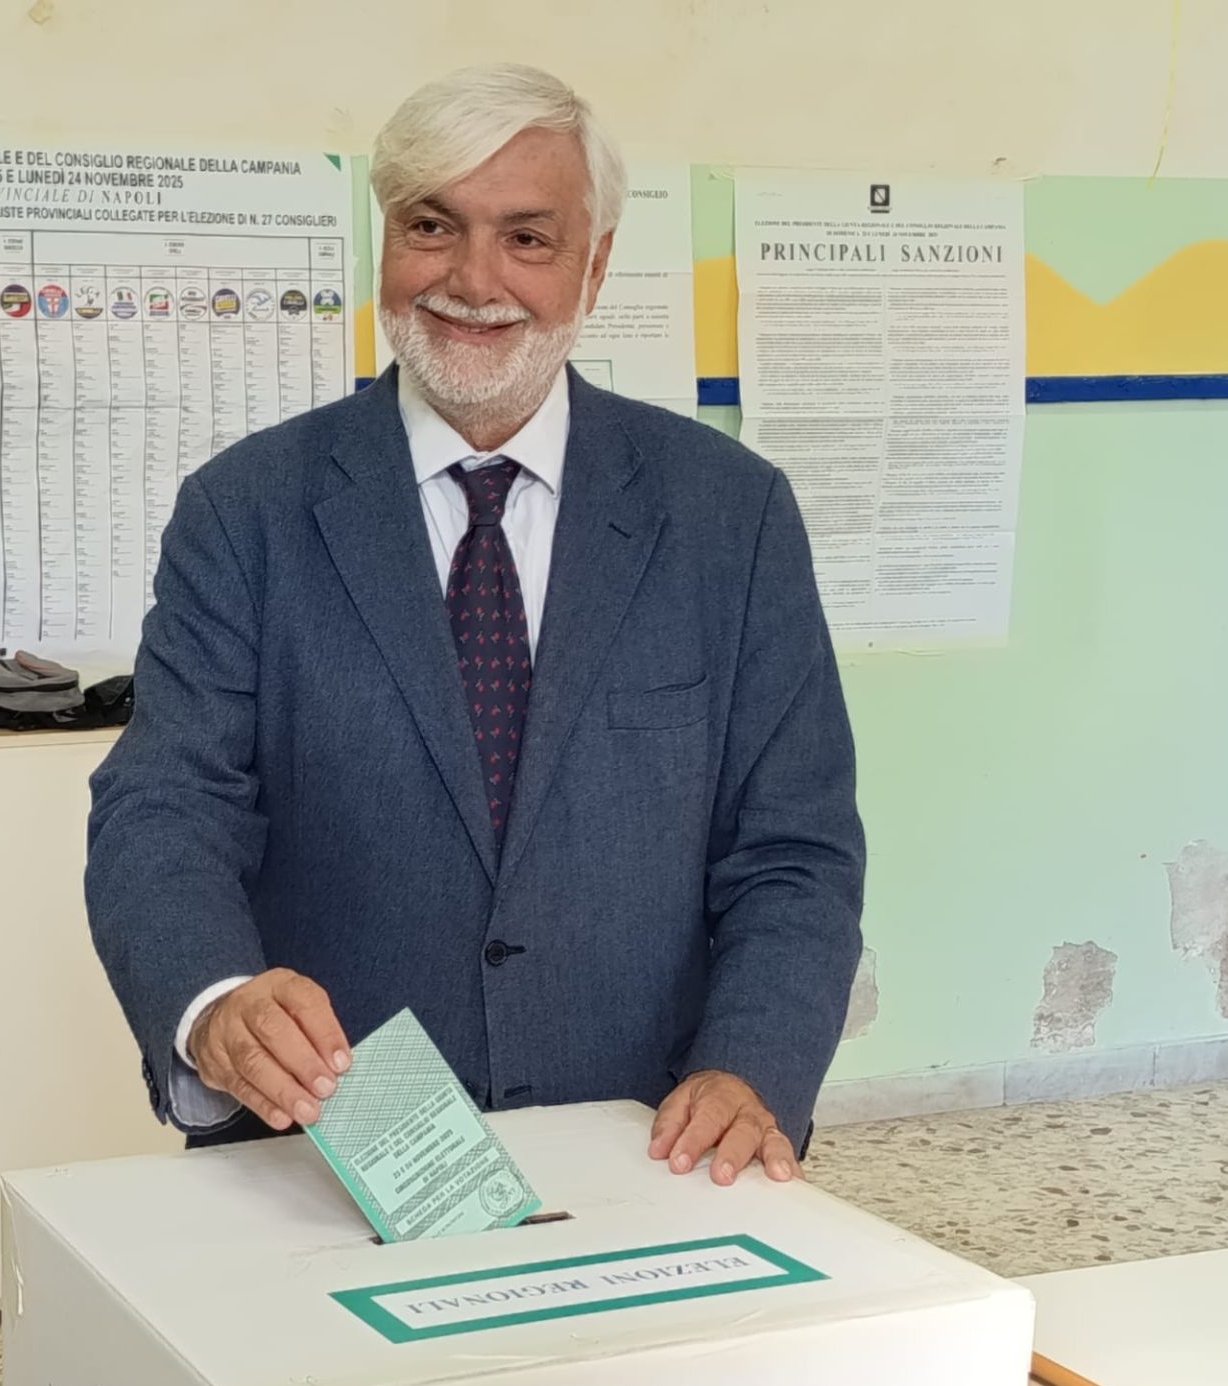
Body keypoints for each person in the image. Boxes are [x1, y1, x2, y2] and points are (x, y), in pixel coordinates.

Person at [86, 63, 864, 1186]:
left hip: (651, 1149)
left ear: (595, 265)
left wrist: (754, 1067)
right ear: (386, 240)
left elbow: (793, 849)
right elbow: (166, 805)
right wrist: (212, 1001)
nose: (472, 279)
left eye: (528, 238)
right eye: (431, 225)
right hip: (328, 1148)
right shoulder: (245, 510)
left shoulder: (729, 515)